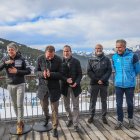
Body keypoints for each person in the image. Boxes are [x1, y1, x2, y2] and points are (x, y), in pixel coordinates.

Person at [0, 42, 31, 134]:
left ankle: (19, 124)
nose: (10, 51)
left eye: (12, 49)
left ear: (16, 50)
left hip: (20, 84)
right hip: (10, 85)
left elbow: (28, 71)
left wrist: (17, 71)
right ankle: (20, 121)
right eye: (9, 50)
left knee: (19, 104)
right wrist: (5, 63)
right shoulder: (5, 59)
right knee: (14, 105)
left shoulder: (22, 59)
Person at [35, 45, 62, 137]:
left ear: (54, 53)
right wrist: (42, 74)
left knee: (55, 109)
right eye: (48, 56)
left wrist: (51, 74)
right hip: (43, 88)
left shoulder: (58, 60)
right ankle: (46, 117)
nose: (50, 58)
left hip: (54, 88)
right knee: (44, 107)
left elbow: (61, 74)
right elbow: (35, 72)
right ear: (45, 53)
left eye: (52, 56)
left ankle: (55, 128)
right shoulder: (40, 58)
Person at [112, 39, 140, 129]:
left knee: (130, 103)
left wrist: (131, 76)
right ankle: (120, 121)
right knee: (118, 104)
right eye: (116, 47)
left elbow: (137, 69)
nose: (118, 49)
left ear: (124, 47)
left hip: (130, 85)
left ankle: (130, 119)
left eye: (119, 47)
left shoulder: (133, 56)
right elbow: (115, 68)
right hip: (118, 85)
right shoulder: (114, 57)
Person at [87, 44, 112, 124]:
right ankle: (91, 116)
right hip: (94, 83)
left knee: (104, 101)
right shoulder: (90, 59)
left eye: (100, 48)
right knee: (92, 100)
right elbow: (89, 71)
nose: (98, 49)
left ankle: (104, 116)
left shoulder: (107, 59)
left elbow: (109, 70)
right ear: (95, 49)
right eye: (97, 48)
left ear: (102, 49)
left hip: (104, 83)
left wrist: (102, 79)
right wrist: (97, 80)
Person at [61, 45, 82, 132]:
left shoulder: (76, 61)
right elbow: (59, 74)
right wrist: (66, 79)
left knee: (75, 106)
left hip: (75, 87)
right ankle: (70, 118)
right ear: (63, 52)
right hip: (64, 87)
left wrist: (76, 83)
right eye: (65, 51)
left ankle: (76, 124)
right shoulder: (60, 62)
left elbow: (80, 74)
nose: (66, 53)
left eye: (68, 51)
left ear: (71, 52)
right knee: (66, 105)